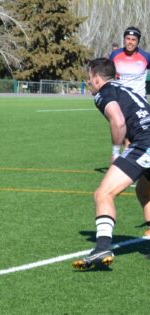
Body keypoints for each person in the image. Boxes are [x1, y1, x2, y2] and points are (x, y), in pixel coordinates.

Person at [72, 57, 150, 270]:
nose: (89, 82)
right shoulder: (123, 88)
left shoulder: (103, 93)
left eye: (89, 78)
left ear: (97, 78)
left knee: (103, 194)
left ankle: (103, 247)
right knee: (144, 190)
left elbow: (118, 121)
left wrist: (116, 152)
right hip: (145, 141)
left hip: (145, 144)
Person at [109, 26, 150, 98]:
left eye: (133, 39)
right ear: (124, 40)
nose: (130, 42)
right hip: (120, 99)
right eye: (128, 39)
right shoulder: (114, 55)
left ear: (138, 42)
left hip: (140, 99)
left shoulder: (146, 57)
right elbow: (108, 74)